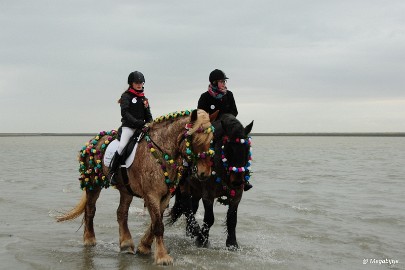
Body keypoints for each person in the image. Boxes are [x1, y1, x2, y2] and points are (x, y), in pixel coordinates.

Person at [197, 69, 252, 191]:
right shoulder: (205, 97)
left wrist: (227, 120)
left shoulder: (229, 94)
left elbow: (234, 111)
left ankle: (245, 176)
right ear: (214, 82)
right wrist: (215, 120)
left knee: (242, 144)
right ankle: (192, 170)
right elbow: (201, 114)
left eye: (224, 81)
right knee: (201, 145)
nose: (224, 83)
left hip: (227, 126)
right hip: (211, 127)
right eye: (222, 81)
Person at [107, 71, 153, 185]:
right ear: (131, 83)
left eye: (141, 83)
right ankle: (112, 172)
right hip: (129, 127)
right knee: (122, 146)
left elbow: (148, 116)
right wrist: (137, 122)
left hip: (141, 128)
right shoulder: (126, 96)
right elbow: (125, 113)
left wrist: (151, 124)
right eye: (136, 82)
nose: (139, 85)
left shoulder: (144, 99)